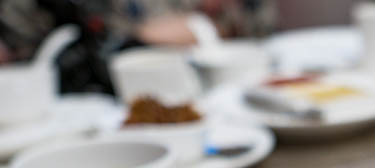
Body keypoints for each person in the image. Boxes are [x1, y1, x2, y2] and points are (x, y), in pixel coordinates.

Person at [0, 0, 277, 92]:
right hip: (92, 113)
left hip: (223, 88)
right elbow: (25, 51)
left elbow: (259, 20)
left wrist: (212, 26)